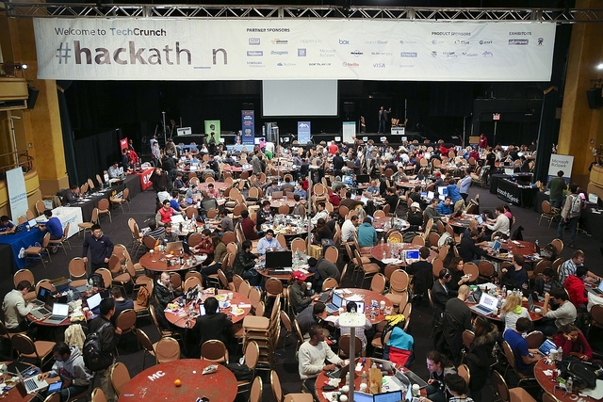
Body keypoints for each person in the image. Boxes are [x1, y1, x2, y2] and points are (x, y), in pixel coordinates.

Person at [88, 298, 122, 401]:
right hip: (104, 362)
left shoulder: (94, 321)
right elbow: (107, 347)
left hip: (92, 357)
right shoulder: (108, 328)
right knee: (107, 388)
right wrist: (117, 336)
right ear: (111, 311)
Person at [298, 325, 344, 400]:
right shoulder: (304, 348)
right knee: (322, 396)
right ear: (315, 337)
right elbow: (305, 369)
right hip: (310, 378)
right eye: (321, 334)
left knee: (338, 387)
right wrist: (323, 367)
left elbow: (331, 356)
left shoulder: (323, 343)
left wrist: (340, 361)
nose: (324, 335)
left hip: (323, 373)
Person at [465, 316, 498, 401]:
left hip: (477, 372)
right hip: (481, 371)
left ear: (480, 327)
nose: (473, 324)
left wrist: (469, 355)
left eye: (475, 324)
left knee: (475, 392)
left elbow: (482, 362)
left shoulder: (481, 344)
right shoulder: (489, 334)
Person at [440, 285, 473, 364]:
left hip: (445, 331)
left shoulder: (449, 302)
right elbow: (467, 328)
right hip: (457, 336)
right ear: (466, 294)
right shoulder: (466, 310)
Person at [557, 183, 582, 248]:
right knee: (573, 228)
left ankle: (559, 239)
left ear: (570, 189)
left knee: (561, 225)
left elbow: (567, 207)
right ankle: (571, 242)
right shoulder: (579, 197)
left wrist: (565, 217)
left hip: (568, 215)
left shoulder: (569, 197)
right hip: (575, 215)